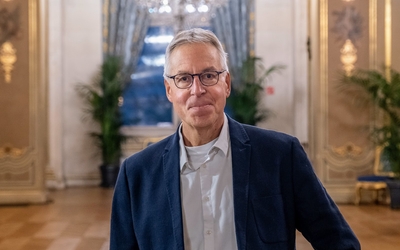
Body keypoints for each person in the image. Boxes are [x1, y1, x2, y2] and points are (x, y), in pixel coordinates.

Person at [110, 28, 360, 250]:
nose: (197, 90)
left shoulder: (281, 156)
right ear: (169, 90)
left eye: (209, 75)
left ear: (226, 83)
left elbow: (338, 241)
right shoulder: (137, 174)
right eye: (184, 79)